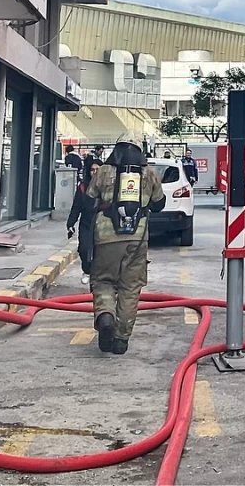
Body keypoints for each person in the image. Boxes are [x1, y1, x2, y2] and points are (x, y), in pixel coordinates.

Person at [87, 141, 166, 353]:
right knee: (130, 288)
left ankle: (105, 316)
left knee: (103, 280)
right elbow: (159, 204)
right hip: (137, 239)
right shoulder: (149, 173)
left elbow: (89, 199)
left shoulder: (103, 171)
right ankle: (121, 339)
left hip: (104, 237)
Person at [66, 149, 99, 286]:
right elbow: (76, 207)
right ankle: (87, 270)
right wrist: (70, 224)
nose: (95, 173)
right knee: (84, 249)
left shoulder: (109, 188)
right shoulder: (83, 187)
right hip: (86, 222)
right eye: (93, 170)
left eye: (98, 170)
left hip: (103, 223)